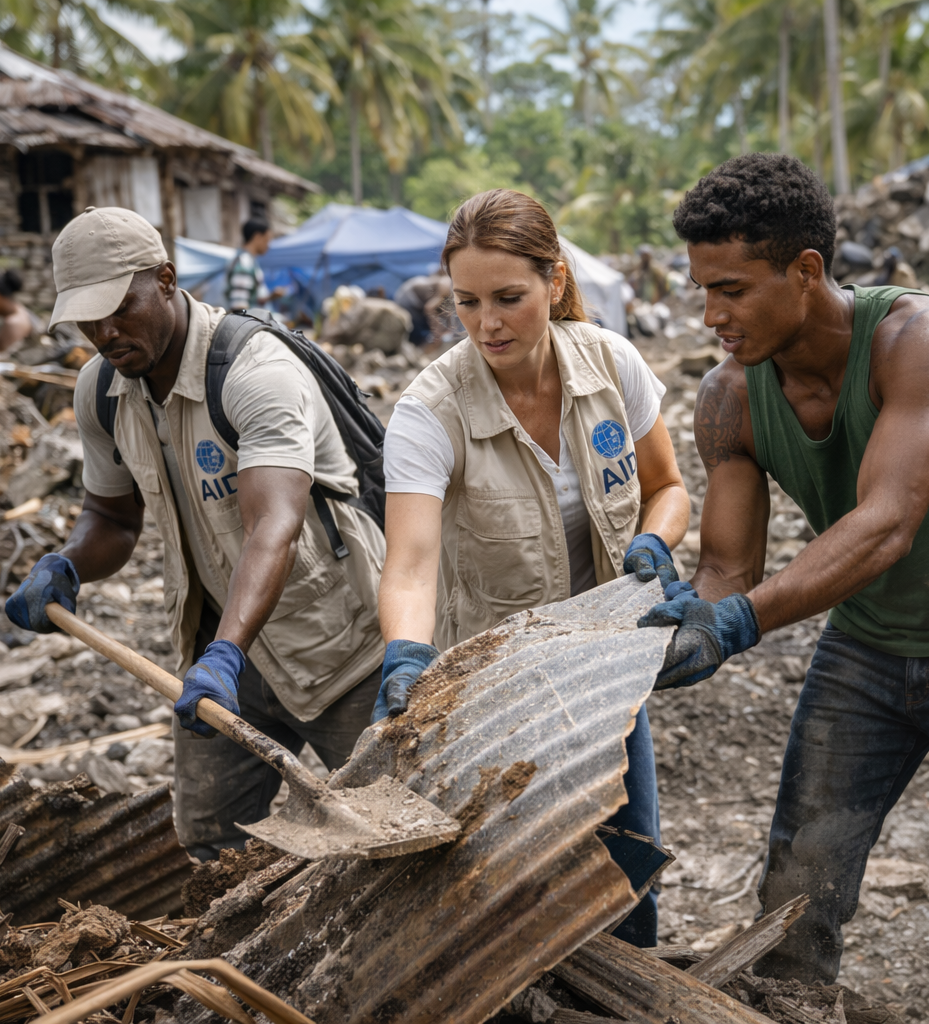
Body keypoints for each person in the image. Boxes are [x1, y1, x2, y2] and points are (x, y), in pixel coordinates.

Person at [642, 153, 929, 1016]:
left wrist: (739, 625)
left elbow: (885, 524)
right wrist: (682, 617)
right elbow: (731, 565)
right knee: (796, 896)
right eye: (701, 291)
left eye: (731, 289)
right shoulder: (729, 396)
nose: (711, 316)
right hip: (866, 651)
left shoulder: (921, 340)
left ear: (806, 271)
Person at [3, 207, 387, 862]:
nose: (106, 332)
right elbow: (115, 521)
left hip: (340, 647)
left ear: (167, 279)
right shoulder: (102, 390)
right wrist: (67, 564)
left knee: (393, 826)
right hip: (220, 648)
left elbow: (275, 525)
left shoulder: (253, 370)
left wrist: (226, 655)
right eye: (88, 320)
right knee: (212, 842)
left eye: (121, 309)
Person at [378, 189, 689, 946]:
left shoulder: (612, 365)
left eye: (509, 298)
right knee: (508, 888)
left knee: (625, 864)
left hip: (607, 670)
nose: (488, 323)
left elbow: (669, 488)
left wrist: (654, 544)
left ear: (555, 281)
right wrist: (406, 656)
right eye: (467, 302)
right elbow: (412, 565)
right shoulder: (430, 411)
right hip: (495, 683)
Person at [226, 218, 272, 311]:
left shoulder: (250, 261)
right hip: (245, 322)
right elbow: (239, 305)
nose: (268, 245)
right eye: (267, 240)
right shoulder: (245, 263)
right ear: (257, 237)